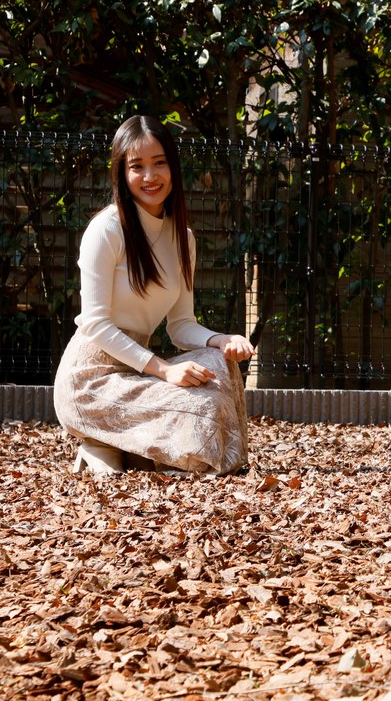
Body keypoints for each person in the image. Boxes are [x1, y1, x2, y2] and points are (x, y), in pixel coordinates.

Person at [54, 115, 255, 476]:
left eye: (159, 163)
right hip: (89, 381)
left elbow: (181, 326)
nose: (150, 177)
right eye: (137, 166)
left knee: (217, 366)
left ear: (173, 168)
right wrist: (165, 370)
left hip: (138, 374)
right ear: (122, 173)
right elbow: (96, 324)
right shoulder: (106, 229)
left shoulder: (183, 238)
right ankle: (107, 441)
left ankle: (123, 448)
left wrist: (221, 340)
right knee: (198, 406)